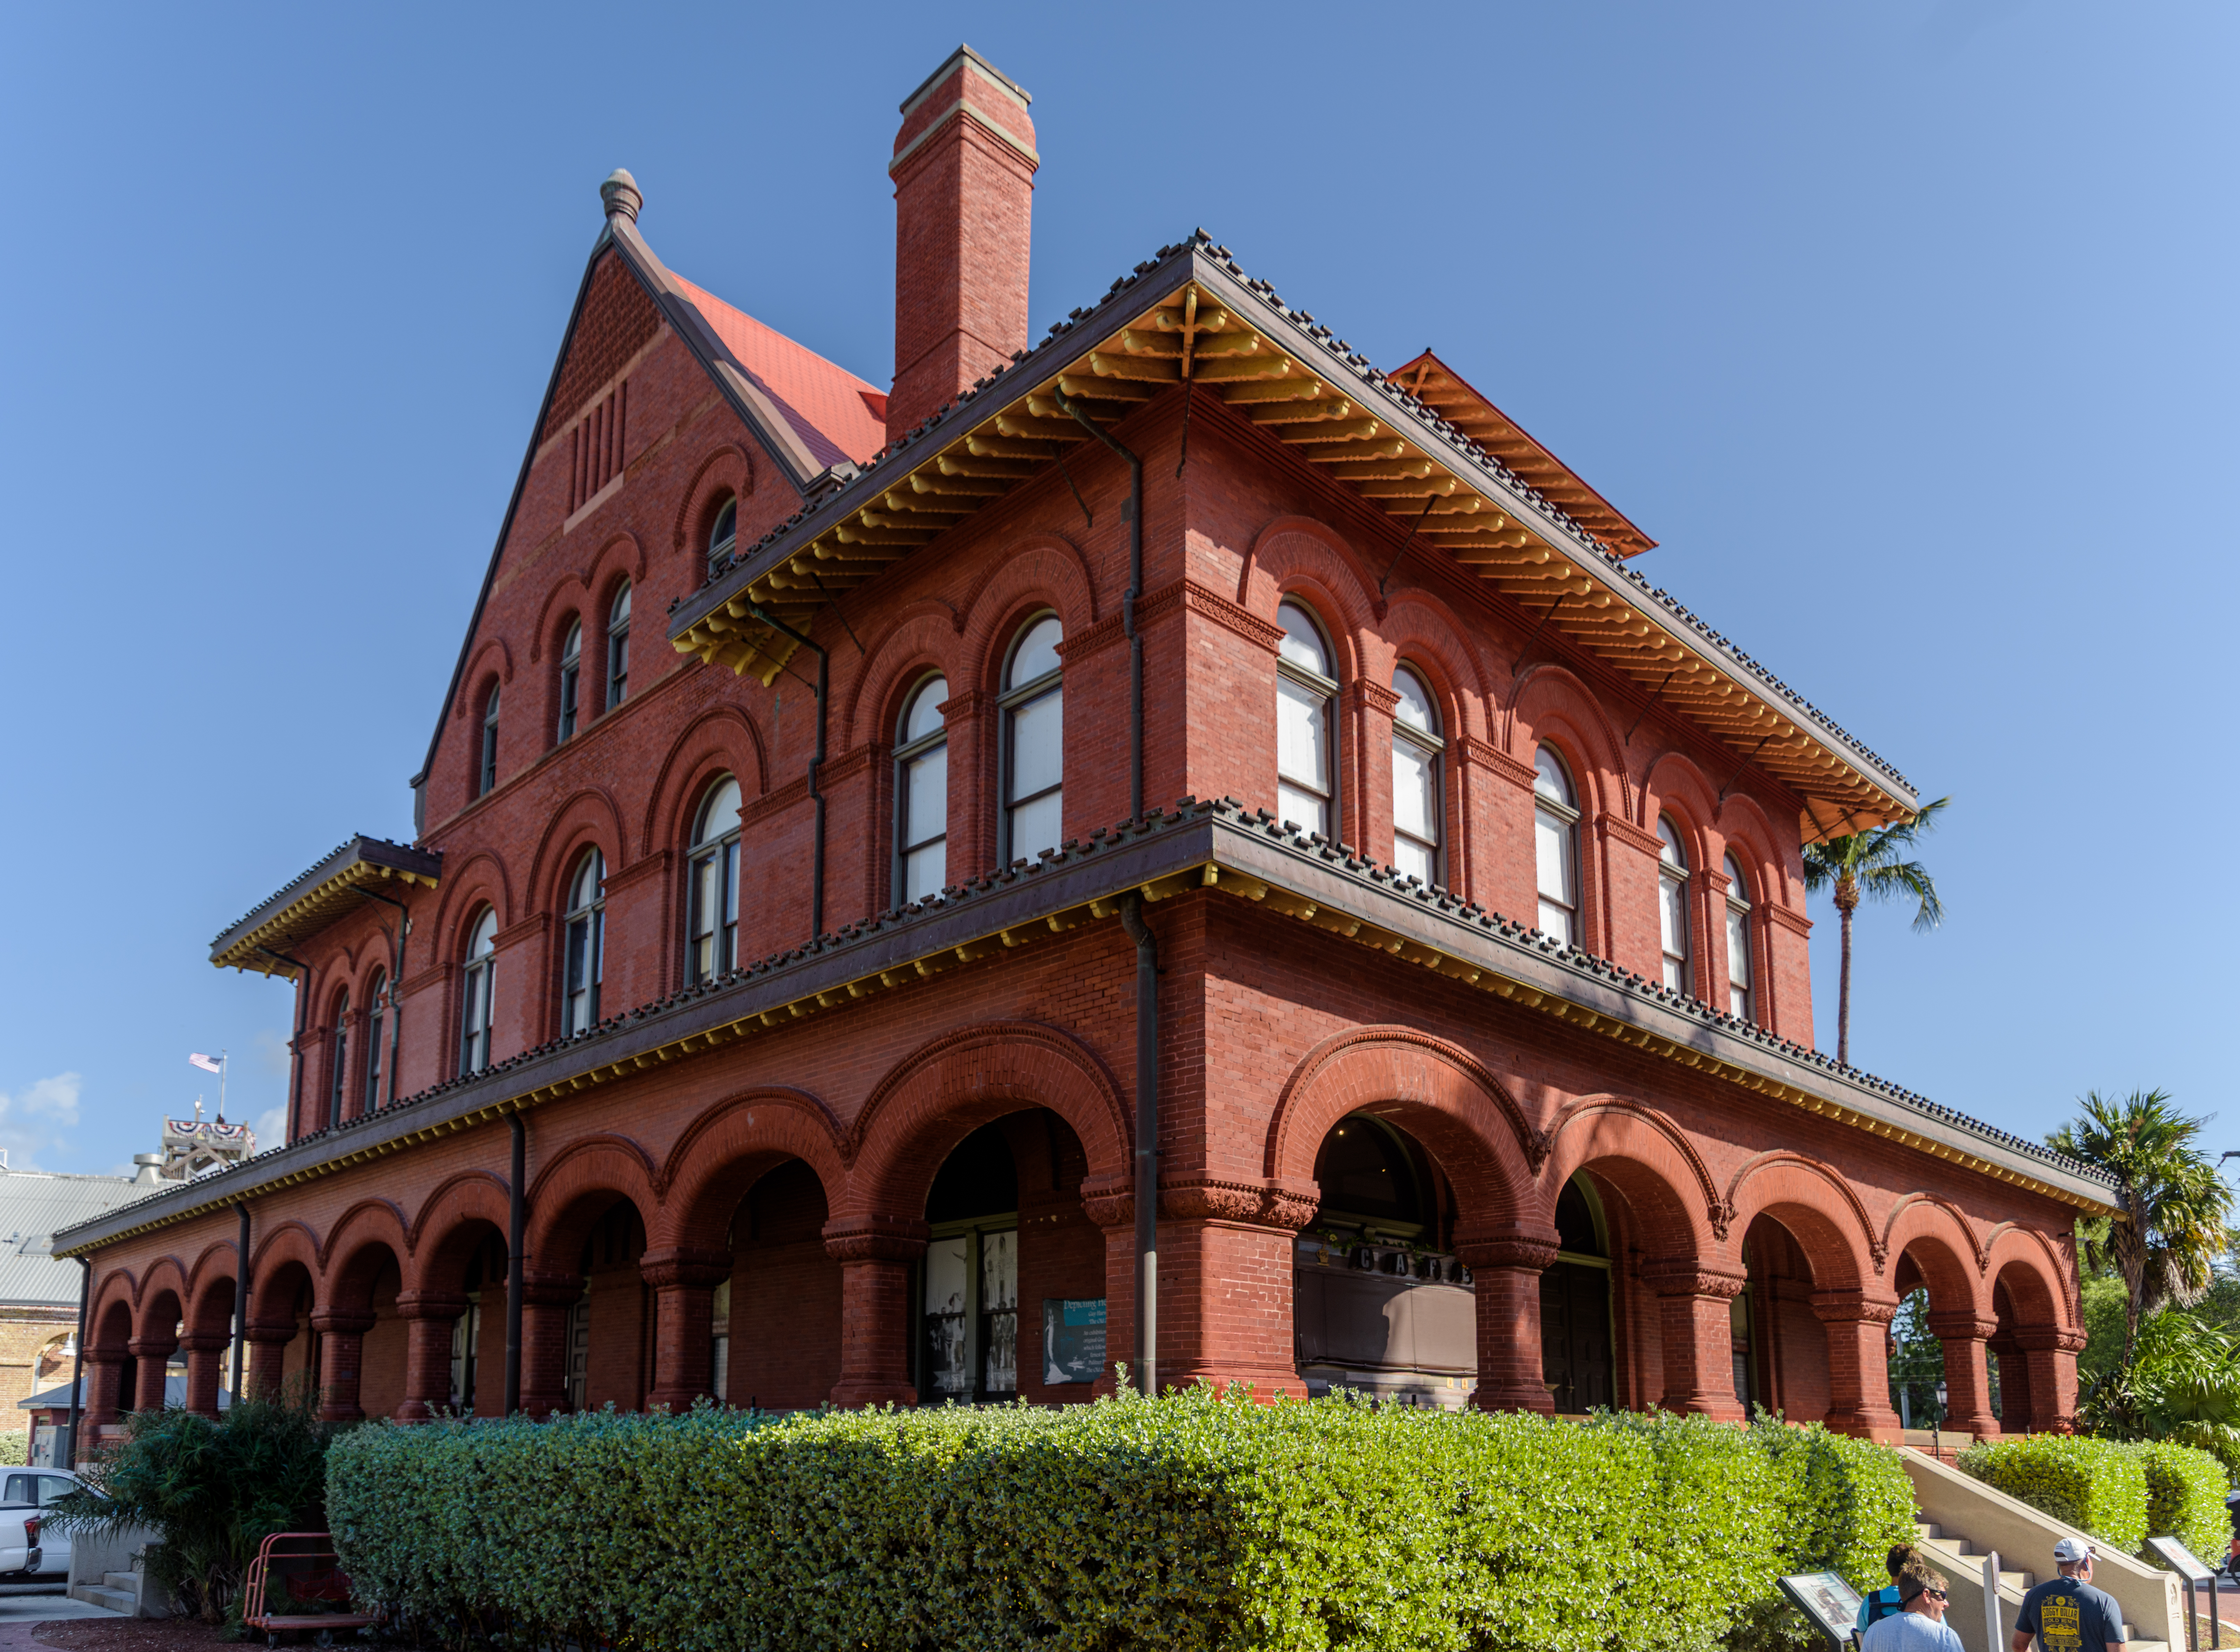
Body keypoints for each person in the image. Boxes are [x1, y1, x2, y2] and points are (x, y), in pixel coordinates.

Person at [2012, 1537, 2125, 1652]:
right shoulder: (2103, 1601)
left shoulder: (2034, 1595)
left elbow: (2019, 1646)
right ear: (2086, 1562)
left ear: (2058, 1563)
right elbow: (2117, 1650)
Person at [1861, 1561, 1964, 1652]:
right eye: (1942, 1596)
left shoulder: (1874, 1632)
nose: (1946, 1603)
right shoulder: (1945, 1637)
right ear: (1927, 1595)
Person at [1859, 1544, 1924, 1631]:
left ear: (1889, 1567)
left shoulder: (1869, 1602)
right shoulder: (1925, 1601)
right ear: (1916, 1571)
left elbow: (1861, 1637)